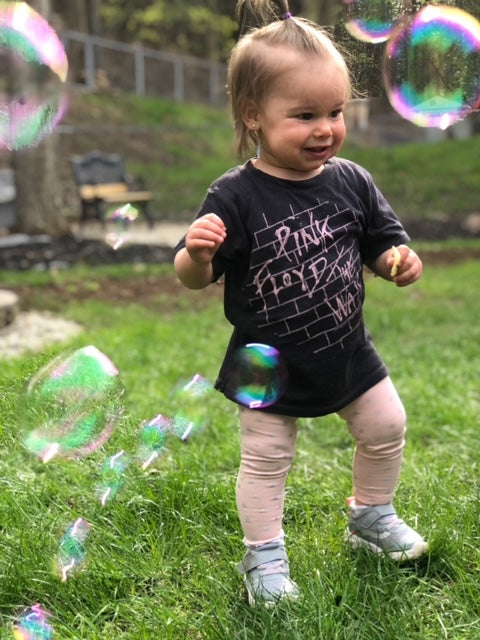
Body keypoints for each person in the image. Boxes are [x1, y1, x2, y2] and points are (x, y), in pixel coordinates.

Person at [174, 0, 428, 608]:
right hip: (266, 362)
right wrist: (199, 254)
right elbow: (191, 277)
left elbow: (381, 241)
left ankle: (372, 516)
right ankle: (263, 556)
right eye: (305, 114)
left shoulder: (352, 180)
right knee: (266, 459)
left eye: (336, 112)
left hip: (346, 348)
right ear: (253, 115)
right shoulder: (234, 194)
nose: (325, 129)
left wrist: (397, 259)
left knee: (387, 425)